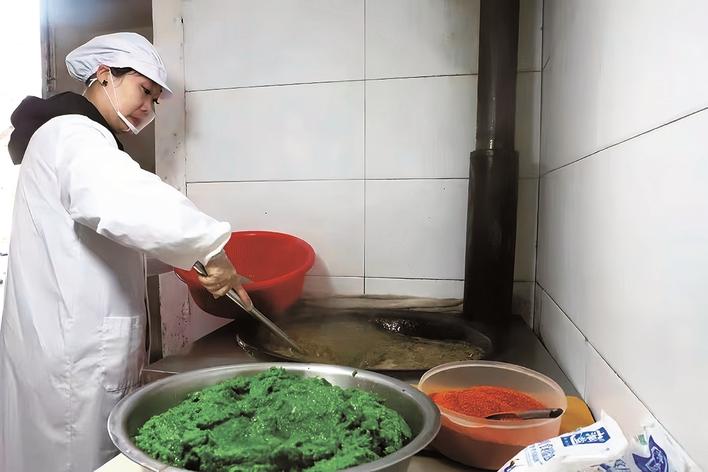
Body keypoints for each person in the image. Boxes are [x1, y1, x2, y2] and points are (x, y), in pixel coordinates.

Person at [0, 32, 251, 471]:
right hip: (74, 358)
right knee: (80, 459)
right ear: (104, 75)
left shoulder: (73, 137)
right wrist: (211, 249)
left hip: (61, 345)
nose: (148, 108)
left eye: (155, 100)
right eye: (144, 90)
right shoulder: (72, 134)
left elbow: (105, 240)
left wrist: (188, 262)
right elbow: (129, 202)